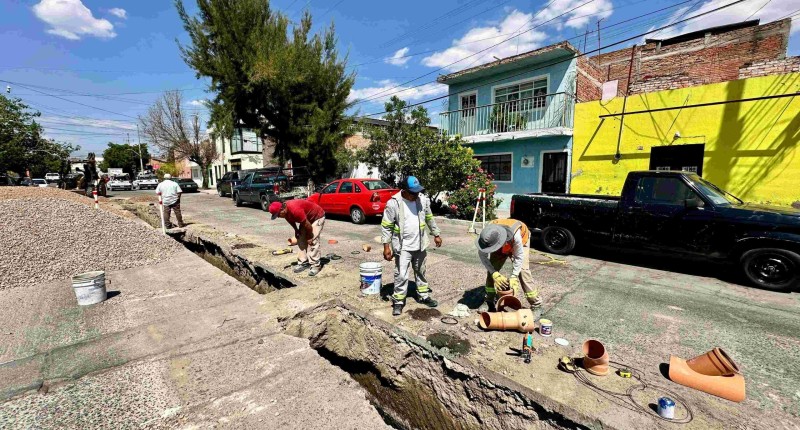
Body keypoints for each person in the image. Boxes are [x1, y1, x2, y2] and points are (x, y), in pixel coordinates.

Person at [381, 176, 442, 316]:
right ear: (404, 190)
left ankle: (423, 296)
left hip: (420, 244)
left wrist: (436, 234)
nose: (416, 195)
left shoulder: (422, 199)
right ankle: (399, 301)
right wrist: (386, 246)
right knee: (401, 275)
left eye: (417, 192)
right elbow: (386, 226)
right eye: (413, 192)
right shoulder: (393, 203)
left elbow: (429, 218)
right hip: (403, 246)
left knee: (421, 271)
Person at [476, 219, 542, 311]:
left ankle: (536, 304)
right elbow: (483, 256)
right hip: (498, 241)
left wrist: (514, 276)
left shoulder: (516, 236)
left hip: (521, 241)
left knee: (523, 271)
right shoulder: (486, 237)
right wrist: (494, 273)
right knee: (492, 268)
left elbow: (519, 257)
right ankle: (489, 300)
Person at [269, 199, 326, 276]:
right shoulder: (286, 212)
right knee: (300, 239)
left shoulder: (295, 209)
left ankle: (316, 265)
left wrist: (309, 237)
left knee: (313, 241)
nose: (278, 217)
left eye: (278, 214)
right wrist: (296, 230)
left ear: (282, 209)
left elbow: (308, 225)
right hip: (306, 219)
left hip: (317, 217)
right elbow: (290, 220)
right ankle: (303, 262)